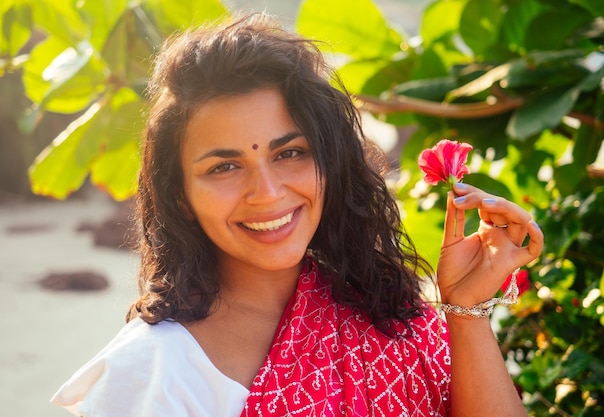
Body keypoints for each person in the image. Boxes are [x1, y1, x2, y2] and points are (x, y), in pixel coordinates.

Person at [51, 12, 543, 417]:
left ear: (330, 160)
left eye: (289, 153)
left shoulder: (390, 314)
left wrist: (467, 309)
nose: (266, 194)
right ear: (179, 195)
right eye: (224, 166)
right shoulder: (152, 374)